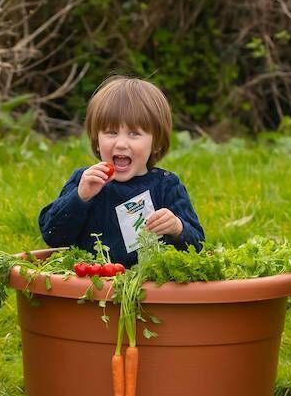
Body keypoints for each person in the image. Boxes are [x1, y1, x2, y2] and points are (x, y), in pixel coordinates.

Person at [38, 76, 204, 267]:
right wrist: (80, 198)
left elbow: (198, 244)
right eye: (111, 132)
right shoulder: (86, 181)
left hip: (148, 282)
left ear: (156, 143)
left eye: (134, 133)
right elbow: (52, 236)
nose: (121, 144)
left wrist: (177, 228)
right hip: (92, 280)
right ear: (97, 140)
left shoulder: (166, 185)